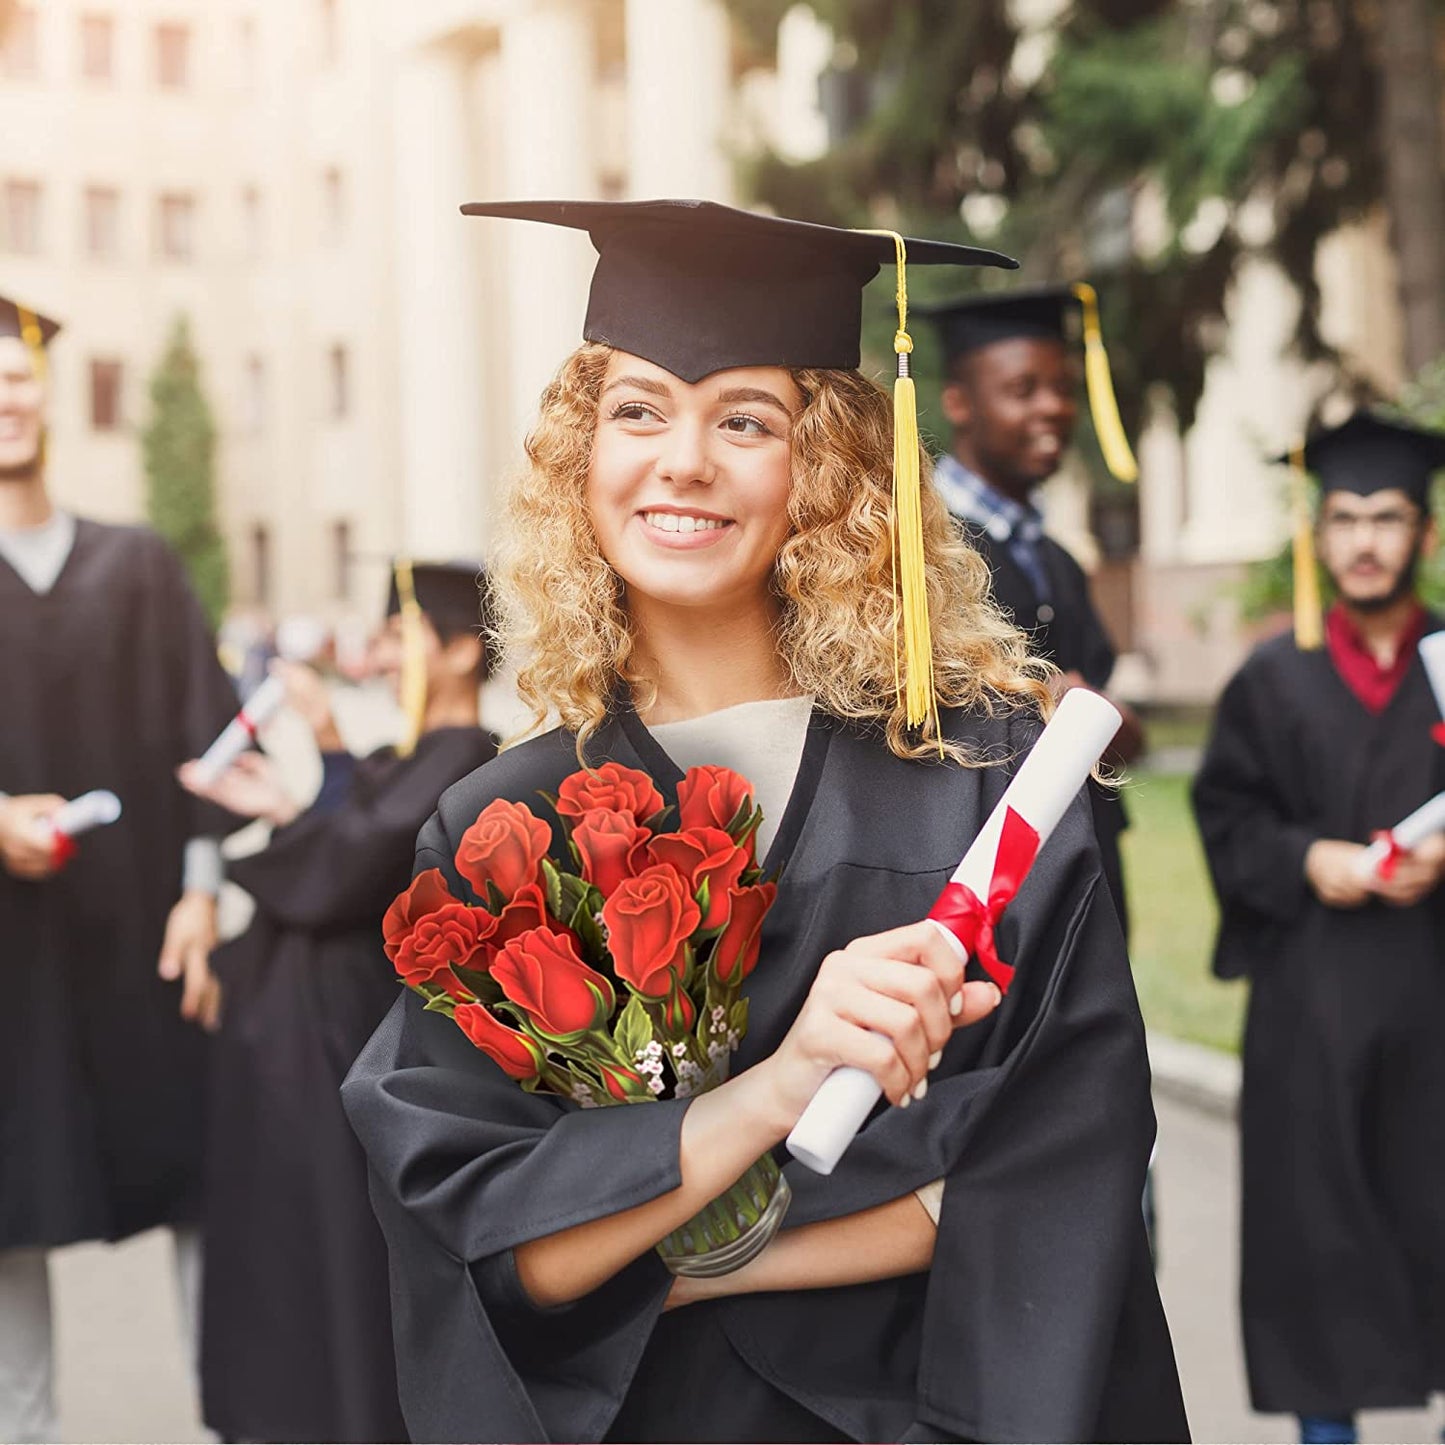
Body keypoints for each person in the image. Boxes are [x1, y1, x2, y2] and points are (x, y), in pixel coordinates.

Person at [342, 199, 1188, 1444]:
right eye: (636, 409)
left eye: (745, 419)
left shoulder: (977, 777)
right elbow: (482, 1242)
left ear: (833, 466)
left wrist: (667, 1251)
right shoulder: (502, 823)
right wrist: (776, 1092)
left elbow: (1053, 1176)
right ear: (580, 455)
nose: (682, 460)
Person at [181, 560, 499, 1442]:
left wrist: (308, 793)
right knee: (283, 1263)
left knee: (334, 1267)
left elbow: (345, 870)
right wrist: (303, 788)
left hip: (344, 1054)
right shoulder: (410, 756)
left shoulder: (470, 760)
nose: (384, 650)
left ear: (461, 652)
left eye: (402, 634)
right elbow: (346, 828)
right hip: (294, 1053)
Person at [0, 294, 239, 1441]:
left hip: (147, 934)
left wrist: (201, 889)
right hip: (13, 966)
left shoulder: (136, 564)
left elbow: (205, 744)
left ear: (46, 391)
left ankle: (222, 1417)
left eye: (20, 372)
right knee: (10, 1209)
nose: (6, 394)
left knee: (192, 1174)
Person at [1192, 410, 1445, 1444]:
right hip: (1311, 1005)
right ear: (1318, 535)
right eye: (1342, 518)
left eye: (1385, 517)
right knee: (1315, 1248)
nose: (1363, 541)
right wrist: (1308, 857)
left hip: (1432, 1008)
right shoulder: (1269, 677)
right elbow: (1226, 813)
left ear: (1422, 532)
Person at [918, 286, 1144, 933]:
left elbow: (1104, 709)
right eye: (1023, 390)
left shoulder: (1057, 557)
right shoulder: (918, 550)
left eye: (1061, 388)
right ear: (959, 403)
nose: (1052, 407)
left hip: (1082, 866)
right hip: (968, 876)